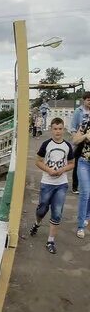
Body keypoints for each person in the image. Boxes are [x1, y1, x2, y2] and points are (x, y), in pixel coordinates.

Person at [30, 118, 75, 253]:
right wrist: (48, 170)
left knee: (57, 212)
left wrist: (63, 170)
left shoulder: (67, 146)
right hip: (47, 183)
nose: (58, 131)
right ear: (51, 129)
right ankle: (37, 223)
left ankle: (50, 241)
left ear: (63, 129)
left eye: (60, 129)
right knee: (42, 209)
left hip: (61, 184)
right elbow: (38, 161)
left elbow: (72, 163)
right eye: (55, 129)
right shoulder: (46, 145)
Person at [71, 92, 90, 236]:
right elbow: (75, 140)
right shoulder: (85, 123)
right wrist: (85, 136)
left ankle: (86, 217)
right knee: (85, 193)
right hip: (84, 162)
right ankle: (80, 226)